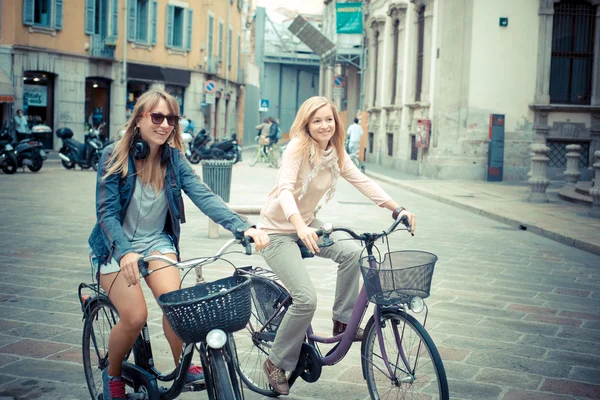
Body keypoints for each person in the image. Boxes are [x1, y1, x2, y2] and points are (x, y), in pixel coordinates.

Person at [87, 87, 270, 400]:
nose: (165, 124)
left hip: (157, 242)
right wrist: (125, 252)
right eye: (157, 116)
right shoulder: (114, 155)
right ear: (139, 120)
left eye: (171, 118)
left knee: (177, 307)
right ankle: (113, 375)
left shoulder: (173, 159)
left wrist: (243, 227)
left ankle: (181, 368)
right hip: (115, 247)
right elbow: (106, 214)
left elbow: (203, 195)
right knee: (134, 317)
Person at [257, 96, 416, 395]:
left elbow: (363, 182)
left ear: (336, 122)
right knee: (305, 299)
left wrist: (398, 209)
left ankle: (342, 323)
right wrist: (300, 225)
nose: (324, 125)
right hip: (277, 231)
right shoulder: (297, 149)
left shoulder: (336, 153)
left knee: (353, 252)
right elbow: (285, 190)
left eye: (328, 119)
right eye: (316, 120)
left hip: (307, 226)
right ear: (307, 124)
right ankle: (276, 361)